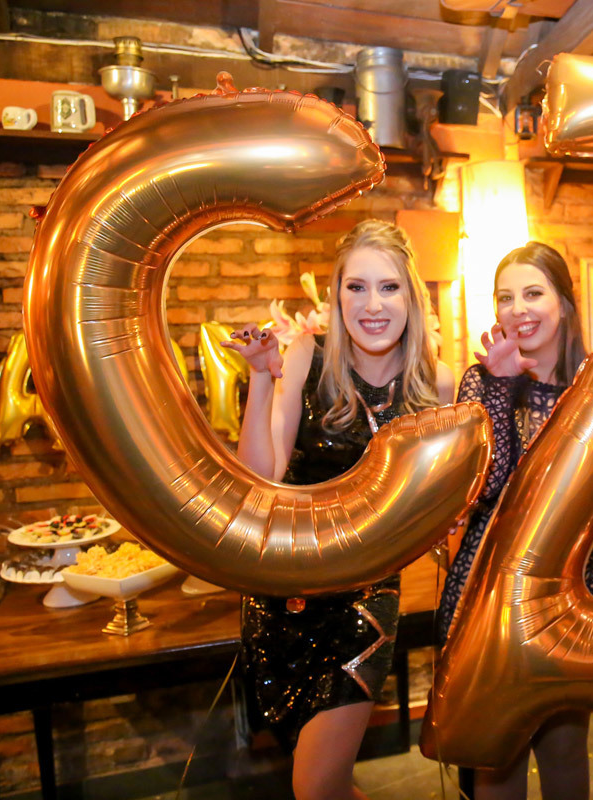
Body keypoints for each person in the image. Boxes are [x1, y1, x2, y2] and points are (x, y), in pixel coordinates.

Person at [224, 219, 454, 800]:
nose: (372, 304)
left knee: (315, 786)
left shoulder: (435, 384)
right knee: (321, 784)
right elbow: (260, 479)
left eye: (389, 287)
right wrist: (260, 378)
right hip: (279, 596)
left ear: (411, 296)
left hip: (363, 604)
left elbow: (437, 509)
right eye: (357, 287)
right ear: (337, 294)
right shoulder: (309, 355)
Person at [435, 241, 593, 800]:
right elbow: (488, 487)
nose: (518, 309)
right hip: (487, 589)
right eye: (505, 297)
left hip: (569, 589)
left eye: (533, 293)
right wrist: (503, 385)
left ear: (564, 304)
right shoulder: (479, 382)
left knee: (565, 751)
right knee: (498, 758)